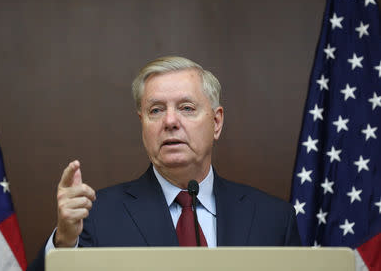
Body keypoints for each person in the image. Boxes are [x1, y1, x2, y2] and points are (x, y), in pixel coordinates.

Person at [27, 56, 301, 271]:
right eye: (156, 110)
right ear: (142, 125)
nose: (170, 122)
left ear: (216, 123)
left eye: (186, 108)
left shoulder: (273, 219)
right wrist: (64, 242)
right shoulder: (96, 217)